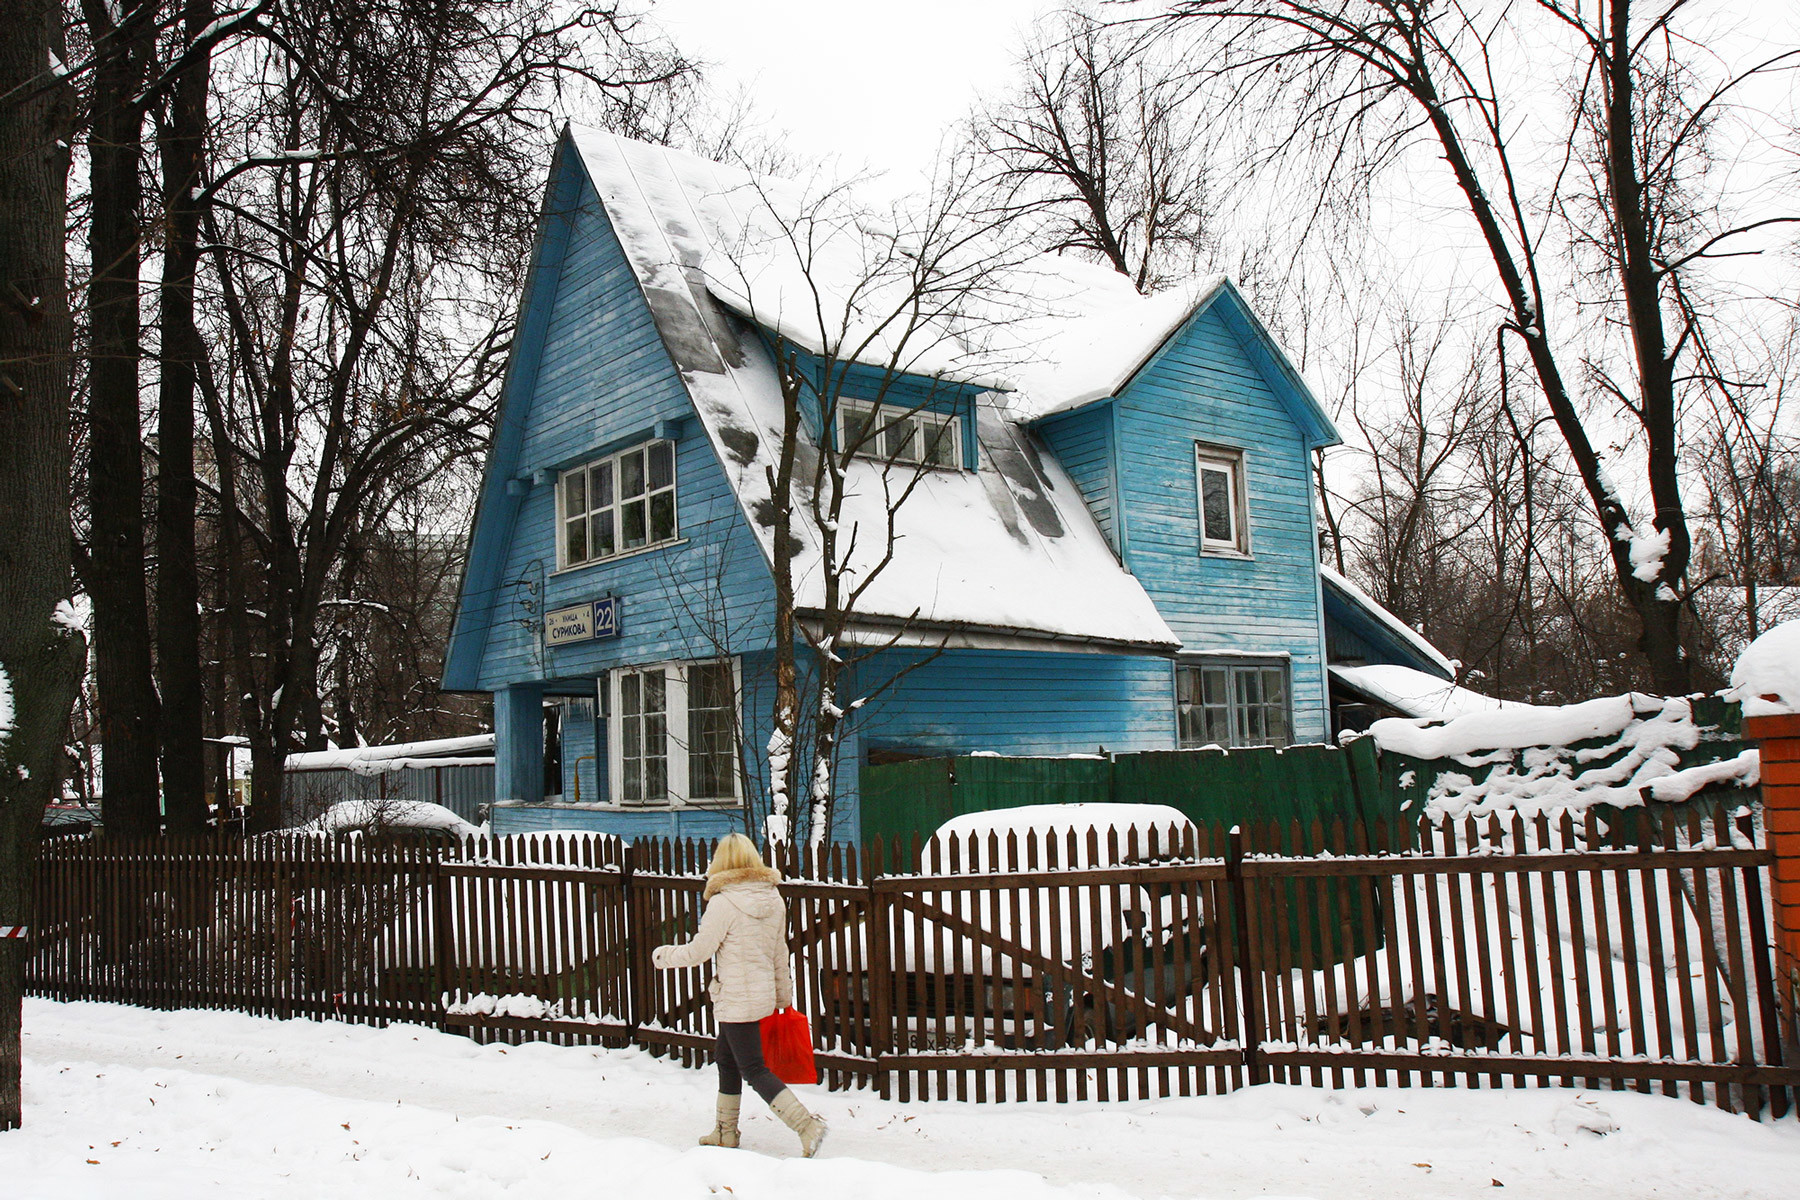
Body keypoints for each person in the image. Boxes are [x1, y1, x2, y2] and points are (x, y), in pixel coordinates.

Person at [651, 833, 827, 1157]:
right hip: (759, 996)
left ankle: (807, 1125)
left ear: (722, 862)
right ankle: (725, 1132)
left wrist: (664, 956)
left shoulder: (723, 902)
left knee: (754, 1069)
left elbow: (700, 951)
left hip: (735, 999)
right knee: (726, 1059)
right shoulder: (774, 898)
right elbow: (779, 953)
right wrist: (783, 998)